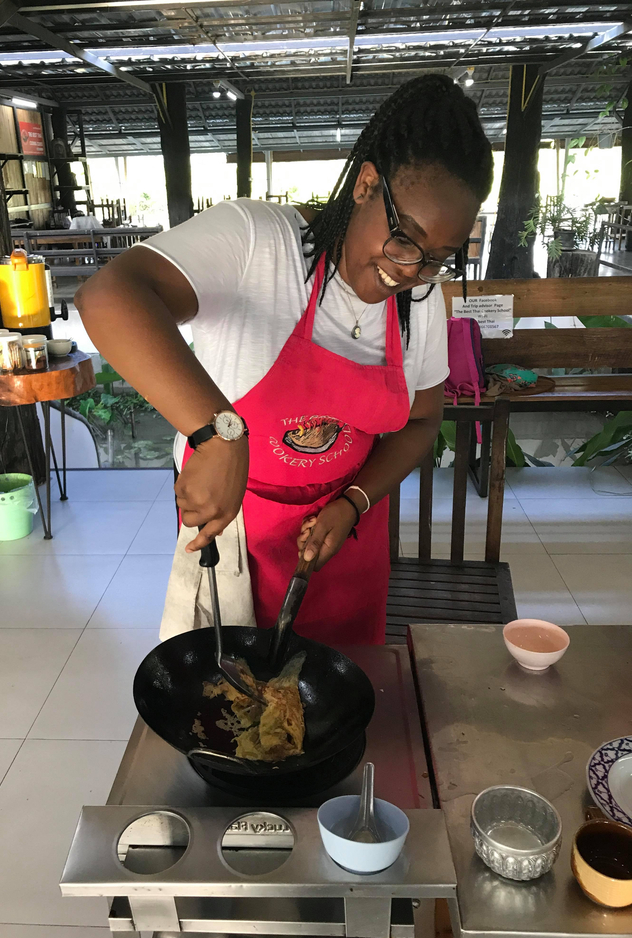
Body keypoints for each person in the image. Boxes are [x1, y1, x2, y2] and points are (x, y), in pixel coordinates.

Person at [76, 74, 494, 647]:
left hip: (348, 531)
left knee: (341, 697)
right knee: (234, 701)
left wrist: (353, 502)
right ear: (367, 184)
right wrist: (219, 435)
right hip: (237, 529)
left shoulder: (418, 299)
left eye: (438, 259)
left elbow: (422, 422)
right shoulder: (258, 242)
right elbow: (110, 297)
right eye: (405, 239)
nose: (411, 271)